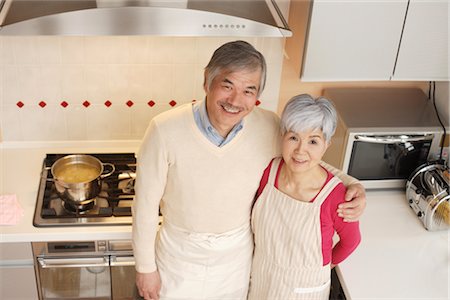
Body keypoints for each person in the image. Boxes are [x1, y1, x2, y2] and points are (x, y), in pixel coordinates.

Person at [132, 40, 366, 300]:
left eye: (248, 90)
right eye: (227, 85)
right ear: (207, 82)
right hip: (178, 259)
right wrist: (145, 269)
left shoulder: (268, 126)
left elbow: (301, 157)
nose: (235, 100)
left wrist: (350, 182)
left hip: (237, 263)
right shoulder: (164, 129)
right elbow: (144, 206)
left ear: (257, 96)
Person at [248, 94, 361, 300]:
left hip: (304, 289)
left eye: (313, 141)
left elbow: (351, 241)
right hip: (262, 279)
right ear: (282, 136)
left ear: (326, 144)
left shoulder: (335, 196)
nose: (301, 150)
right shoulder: (268, 173)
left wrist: (320, 269)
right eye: (293, 138)